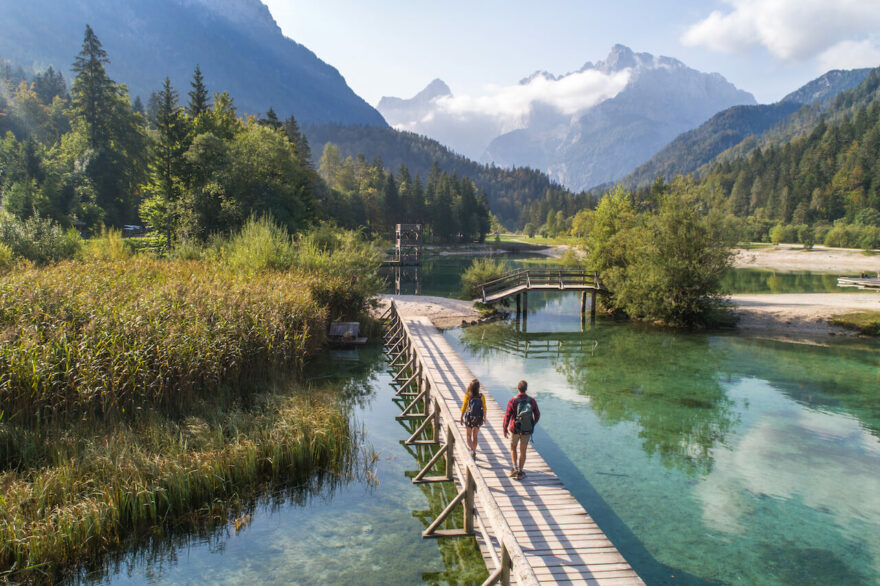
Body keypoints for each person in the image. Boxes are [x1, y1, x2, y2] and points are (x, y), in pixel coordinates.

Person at [502, 380, 540, 479]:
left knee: (513, 448)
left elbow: (507, 416)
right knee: (523, 451)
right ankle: (520, 472)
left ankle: (514, 467)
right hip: (526, 430)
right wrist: (532, 424)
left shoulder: (513, 401)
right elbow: (537, 415)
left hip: (514, 429)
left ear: (517, 388)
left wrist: (505, 429)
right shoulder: (531, 401)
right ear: (526, 389)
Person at [460, 379, 487, 459]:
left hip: (469, 418)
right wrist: (484, 418)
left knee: (468, 436)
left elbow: (464, 407)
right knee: (475, 436)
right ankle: (473, 452)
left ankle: (472, 451)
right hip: (478, 419)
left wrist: (461, 417)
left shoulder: (468, 395)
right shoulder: (481, 396)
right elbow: (484, 408)